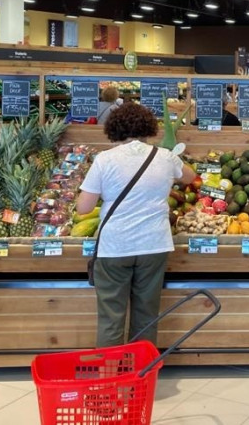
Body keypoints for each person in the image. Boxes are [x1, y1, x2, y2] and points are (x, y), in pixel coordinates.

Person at [76, 103, 196, 347]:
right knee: (146, 316)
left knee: (111, 318)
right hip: (153, 244)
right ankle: (140, 373)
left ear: (115, 129)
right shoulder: (164, 156)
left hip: (115, 247)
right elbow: (190, 177)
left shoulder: (105, 159)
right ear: (148, 128)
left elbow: (83, 208)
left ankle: (111, 377)